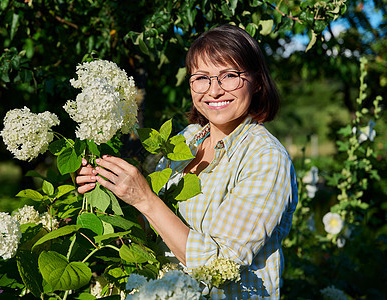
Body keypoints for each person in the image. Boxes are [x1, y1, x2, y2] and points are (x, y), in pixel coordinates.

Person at [76, 24, 298, 299]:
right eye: (202, 77)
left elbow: (219, 268)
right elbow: (154, 229)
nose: (214, 91)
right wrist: (107, 186)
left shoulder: (265, 157)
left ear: (258, 82)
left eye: (229, 76)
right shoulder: (188, 138)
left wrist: (145, 198)